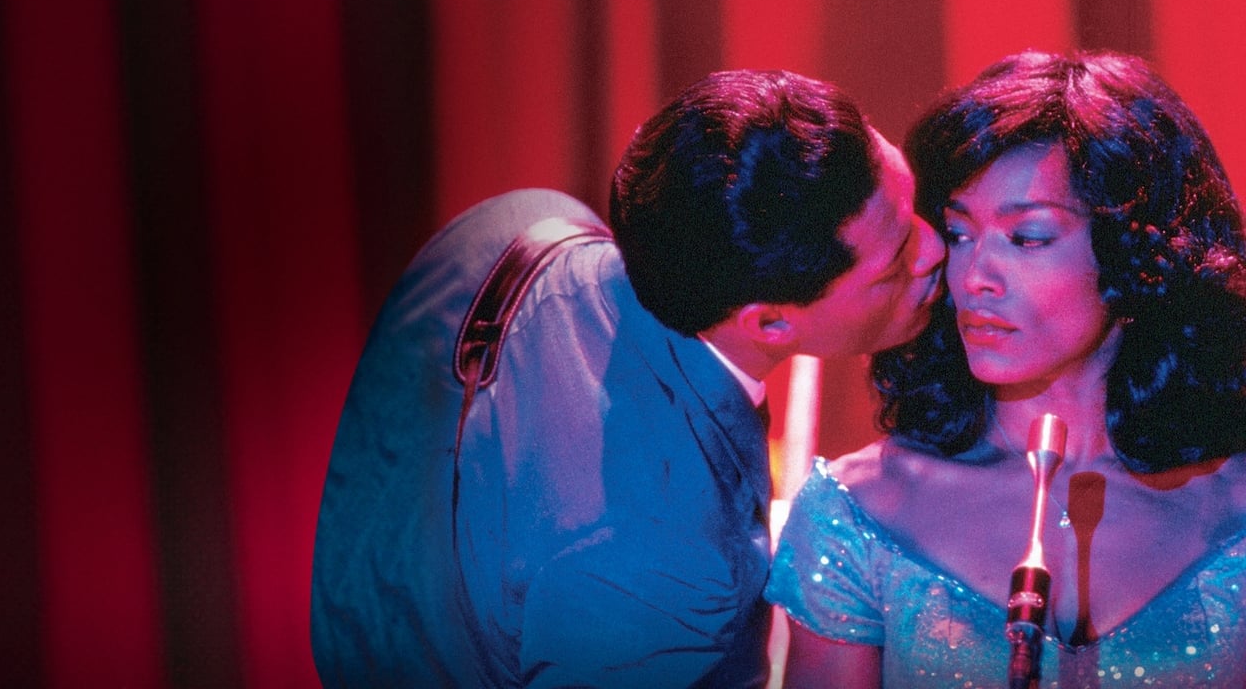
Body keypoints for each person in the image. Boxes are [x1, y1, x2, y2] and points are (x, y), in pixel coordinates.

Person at [309, 69, 944, 688]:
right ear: (770, 322)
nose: (936, 249)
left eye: (912, 202)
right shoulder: (670, 572)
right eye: (896, 262)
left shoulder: (522, 223)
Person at [766, 49, 1246, 687]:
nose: (975, 277)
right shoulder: (861, 511)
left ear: (1139, 251)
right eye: (959, 234)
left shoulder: (1232, 504)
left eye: (1028, 238)